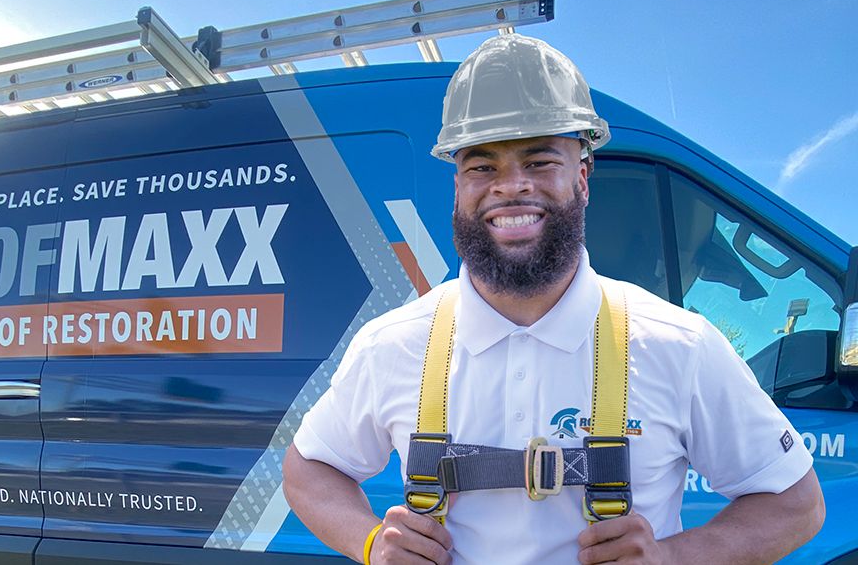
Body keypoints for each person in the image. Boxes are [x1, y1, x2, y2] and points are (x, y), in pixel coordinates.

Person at [282, 34, 824, 565]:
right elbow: (308, 469)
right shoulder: (395, 346)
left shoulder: (678, 346)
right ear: (457, 184)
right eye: (482, 165)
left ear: (582, 178)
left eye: (540, 161)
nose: (510, 186)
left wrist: (674, 557)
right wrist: (371, 542)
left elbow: (795, 504)